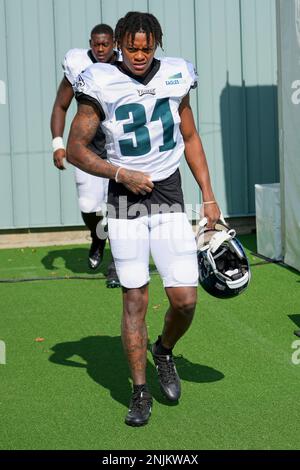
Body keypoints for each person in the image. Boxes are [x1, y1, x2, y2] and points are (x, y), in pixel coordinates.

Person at [67, 11, 220, 426]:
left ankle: (164, 350)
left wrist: (208, 196)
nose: (138, 54)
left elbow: (189, 136)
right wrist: (119, 173)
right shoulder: (99, 80)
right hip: (124, 198)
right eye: (131, 47)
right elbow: (77, 147)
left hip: (168, 194)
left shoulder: (175, 74)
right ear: (118, 43)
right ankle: (139, 391)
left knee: (185, 299)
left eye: (146, 47)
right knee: (135, 298)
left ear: (157, 44)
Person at [50, 23, 120, 288]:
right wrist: (58, 143)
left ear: (114, 43)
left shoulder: (125, 64)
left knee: (117, 207)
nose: (100, 49)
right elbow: (61, 105)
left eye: (105, 44)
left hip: (117, 146)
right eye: (96, 44)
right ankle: (97, 236)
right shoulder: (78, 64)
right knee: (89, 206)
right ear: (90, 43)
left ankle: (116, 265)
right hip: (86, 145)